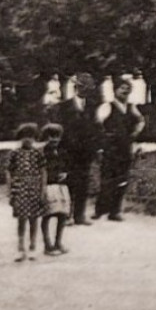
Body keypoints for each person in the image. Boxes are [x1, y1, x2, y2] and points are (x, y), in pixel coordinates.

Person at [94, 78, 145, 221]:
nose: (125, 91)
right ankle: (100, 210)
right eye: (122, 88)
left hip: (125, 147)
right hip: (110, 148)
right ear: (115, 90)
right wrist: (101, 146)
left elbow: (141, 120)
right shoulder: (107, 106)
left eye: (128, 88)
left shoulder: (131, 107)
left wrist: (136, 132)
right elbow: (99, 126)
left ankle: (115, 211)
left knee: (122, 179)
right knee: (106, 179)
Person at [58, 74, 99, 225]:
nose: (83, 90)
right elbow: (60, 129)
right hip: (68, 150)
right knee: (68, 182)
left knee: (83, 182)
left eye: (87, 87)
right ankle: (66, 215)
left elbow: (96, 129)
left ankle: (79, 215)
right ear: (76, 87)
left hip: (85, 152)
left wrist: (95, 148)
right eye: (81, 86)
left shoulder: (92, 106)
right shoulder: (64, 106)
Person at [7, 122, 45, 262]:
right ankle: (20, 248)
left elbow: (43, 172)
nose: (27, 139)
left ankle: (33, 247)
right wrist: (10, 190)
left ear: (35, 138)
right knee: (21, 219)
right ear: (20, 138)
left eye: (31, 137)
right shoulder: (15, 153)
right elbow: (9, 172)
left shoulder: (37, 154)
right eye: (24, 137)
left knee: (34, 219)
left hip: (34, 189)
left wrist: (42, 190)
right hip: (20, 189)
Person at [38, 123, 71, 256]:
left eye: (57, 137)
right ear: (46, 137)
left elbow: (67, 165)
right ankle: (48, 245)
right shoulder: (42, 153)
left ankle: (58, 242)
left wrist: (65, 173)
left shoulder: (62, 151)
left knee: (62, 215)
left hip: (61, 186)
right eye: (51, 136)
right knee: (47, 214)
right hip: (48, 186)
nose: (54, 140)